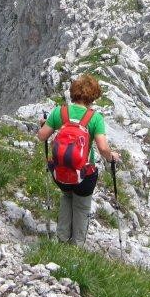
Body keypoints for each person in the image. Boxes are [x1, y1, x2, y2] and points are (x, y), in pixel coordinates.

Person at [36, 73, 121, 245]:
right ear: (93, 96)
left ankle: (61, 240)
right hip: (83, 174)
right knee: (82, 207)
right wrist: (112, 156)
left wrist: (44, 123)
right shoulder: (95, 118)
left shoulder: (59, 112)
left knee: (67, 197)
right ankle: (76, 247)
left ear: (73, 92)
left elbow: (42, 136)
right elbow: (103, 148)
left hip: (60, 171)